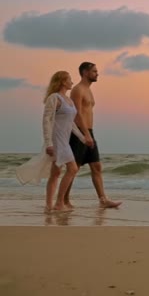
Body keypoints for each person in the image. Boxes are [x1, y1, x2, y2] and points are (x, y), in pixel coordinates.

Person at [16, 71, 86, 212]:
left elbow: (71, 123)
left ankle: (49, 206)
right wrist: (48, 143)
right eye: (70, 80)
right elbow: (46, 120)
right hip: (56, 139)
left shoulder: (69, 101)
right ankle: (59, 203)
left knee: (55, 173)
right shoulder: (54, 98)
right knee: (72, 168)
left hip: (65, 140)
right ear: (62, 82)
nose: (72, 82)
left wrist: (82, 137)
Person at [63, 62, 121, 209]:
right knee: (73, 169)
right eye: (94, 71)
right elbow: (77, 114)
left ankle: (103, 200)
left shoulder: (88, 90)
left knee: (96, 166)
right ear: (85, 72)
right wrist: (86, 135)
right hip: (79, 133)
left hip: (89, 131)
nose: (97, 74)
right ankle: (64, 200)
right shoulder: (77, 90)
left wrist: (89, 133)